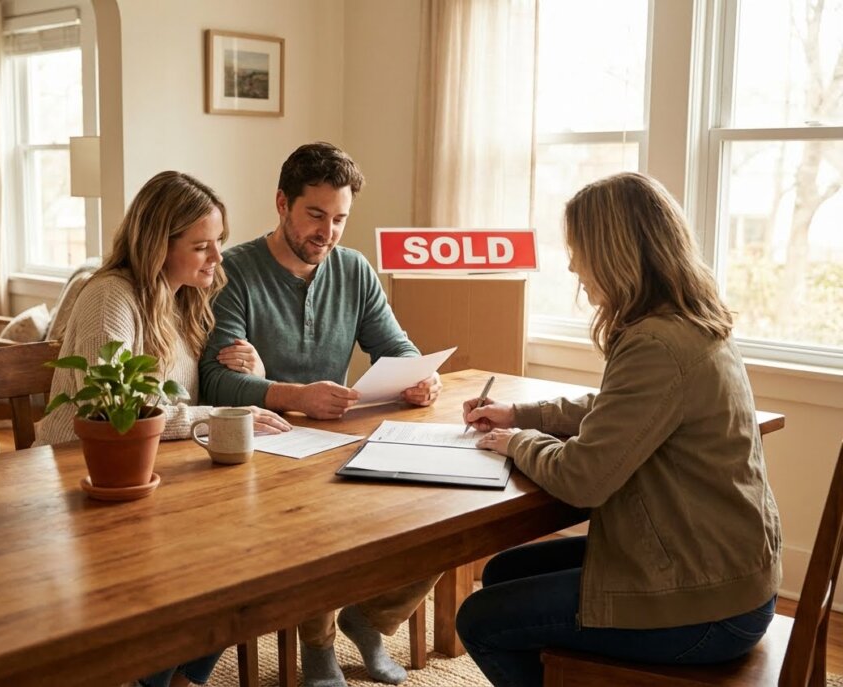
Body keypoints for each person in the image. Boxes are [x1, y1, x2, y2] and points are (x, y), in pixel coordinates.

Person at [455, 172, 782, 687]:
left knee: (479, 619)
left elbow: (583, 479)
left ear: (613, 252)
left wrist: (517, 442)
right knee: (502, 574)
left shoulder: (654, 343)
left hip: (704, 603)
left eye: (577, 249)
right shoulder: (689, 324)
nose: (571, 265)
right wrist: (523, 415)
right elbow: (618, 409)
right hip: (721, 570)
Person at [198, 142, 442, 687]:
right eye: (315, 215)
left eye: (339, 220)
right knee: (315, 520)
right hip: (271, 450)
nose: (327, 233)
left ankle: (369, 619)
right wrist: (297, 395)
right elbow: (215, 381)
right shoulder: (233, 272)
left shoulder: (352, 269)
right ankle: (319, 648)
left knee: (441, 508)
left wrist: (419, 377)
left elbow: (396, 347)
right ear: (283, 203)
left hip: (341, 437)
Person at [37, 170, 290, 687]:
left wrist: (254, 373)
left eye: (217, 241)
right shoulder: (111, 296)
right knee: (202, 564)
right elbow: (118, 413)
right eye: (201, 245)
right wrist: (218, 417)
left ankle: (176, 678)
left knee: (243, 557)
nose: (217, 257)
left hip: (149, 471)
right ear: (157, 244)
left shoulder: (183, 298)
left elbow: (195, 395)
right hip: (80, 475)